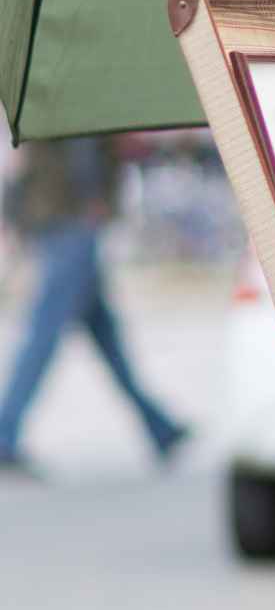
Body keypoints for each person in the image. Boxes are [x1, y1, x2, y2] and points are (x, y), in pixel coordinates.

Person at [0, 138, 187, 472]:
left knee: (105, 336)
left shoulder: (48, 106)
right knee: (43, 337)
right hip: (70, 225)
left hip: (62, 222)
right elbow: (80, 164)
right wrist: (96, 204)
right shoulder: (70, 109)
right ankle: (4, 435)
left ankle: (159, 427)